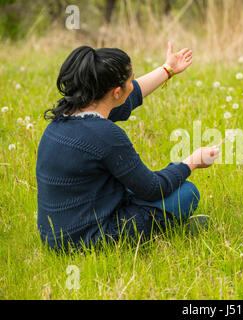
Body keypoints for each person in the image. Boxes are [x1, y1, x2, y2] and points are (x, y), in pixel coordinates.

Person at [36, 42, 220, 251]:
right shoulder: (105, 135)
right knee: (186, 193)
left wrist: (167, 69)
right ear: (115, 92)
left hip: (53, 236)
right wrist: (192, 162)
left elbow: (132, 95)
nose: (133, 84)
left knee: (130, 181)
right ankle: (175, 229)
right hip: (88, 241)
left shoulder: (64, 117)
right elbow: (152, 188)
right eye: (130, 80)